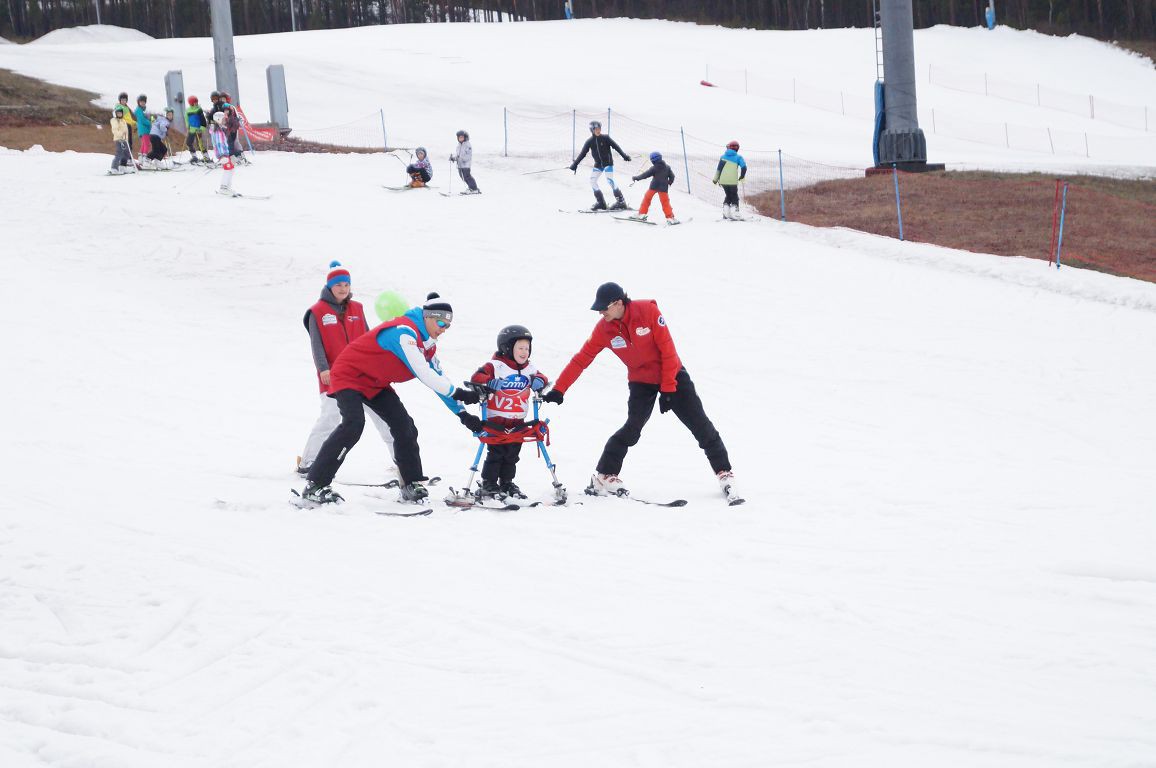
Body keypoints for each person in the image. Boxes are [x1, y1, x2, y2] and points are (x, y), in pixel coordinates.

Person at [543, 282, 741, 504]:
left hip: (672, 374)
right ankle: (605, 475)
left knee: (700, 424)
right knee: (632, 427)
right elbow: (582, 359)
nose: (600, 313)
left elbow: (668, 350)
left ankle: (724, 472)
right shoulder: (604, 329)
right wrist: (559, 389)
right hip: (641, 381)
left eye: (604, 308)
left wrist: (668, 388)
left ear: (618, 303)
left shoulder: (648, 312)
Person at [300, 293, 485, 504]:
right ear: (427, 317)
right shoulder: (404, 332)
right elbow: (425, 374)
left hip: (375, 383)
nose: (444, 329)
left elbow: (440, 380)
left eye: (448, 326)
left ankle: (411, 483)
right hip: (349, 375)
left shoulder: (428, 346)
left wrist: (463, 415)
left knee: (404, 426)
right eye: (441, 322)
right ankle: (315, 485)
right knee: (353, 424)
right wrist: (459, 393)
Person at [299, 261, 397, 478]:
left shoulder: (357, 308)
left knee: (384, 419)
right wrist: (323, 369)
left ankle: (401, 461)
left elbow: (369, 338)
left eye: (346, 284)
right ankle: (308, 462)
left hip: (363, 375)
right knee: (330, 418)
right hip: (334, 376)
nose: (343, 288)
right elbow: (317, 344)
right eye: (338, 284)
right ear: (330, 286)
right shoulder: (317, 312)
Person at [468, 325, 550, 500]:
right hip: (496, 421)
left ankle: (507, 482)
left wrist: (539, 381)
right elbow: (476, 378)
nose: (524, 352)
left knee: (512, 454)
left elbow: (543, 377)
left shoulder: (529, 368)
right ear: (506, 347)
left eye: (527, 348)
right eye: (520, 348)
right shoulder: (496, 366)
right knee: (496, 453)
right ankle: (489, 482)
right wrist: (489, 382)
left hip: (518, 421)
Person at [570, 120, 631, 211]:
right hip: (598, 165)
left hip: (608, 163)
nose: (598, 130)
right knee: (592, 181)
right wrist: (575, 164)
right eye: (596, 129)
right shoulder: (589, 141)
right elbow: (583, 154)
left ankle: (621, 202)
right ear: (592, 130)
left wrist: (624, 156)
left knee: (610, 180)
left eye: (599, 128)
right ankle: (601, 203)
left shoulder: (606, 138)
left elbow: (616, 147)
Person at [629, 151, 678, 225]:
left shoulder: (654, 168)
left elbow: (645, 175)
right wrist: (669, 183)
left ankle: (642, 214)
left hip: (653, 187)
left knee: (646, 199)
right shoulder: (667, 167)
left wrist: (636, 178)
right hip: (663, 188)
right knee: (665, 203)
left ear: (653, 160)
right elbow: (672, 176)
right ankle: (670, 218)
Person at [712, 140, 748, 220]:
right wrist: (742, 176)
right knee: (734, 196)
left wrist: (715, 179)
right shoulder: (738, 157)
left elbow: (719, 170)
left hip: (723, 181)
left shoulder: (722, 157)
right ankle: (735, 214)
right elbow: (744, 168)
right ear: (737, 148)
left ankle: (726, 212)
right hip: (732, 181)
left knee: (728, 195)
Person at [210, 111, 237, 195]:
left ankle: (227, 187)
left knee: (231, 168)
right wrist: (222, 156)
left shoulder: (221, 129)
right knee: (228, 169)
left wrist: (229, 154)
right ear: (218, 119)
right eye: (223, 119)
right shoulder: (217, 131)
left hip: (225, 153)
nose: (225, 121)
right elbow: (219, 144)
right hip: (222, 154)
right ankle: (223, 188)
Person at [450, 130, 480, 194]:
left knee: (467, 176)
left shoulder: (467, 145)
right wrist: (453, 158)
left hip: (466, 165)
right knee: (463, 177)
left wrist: (461, 158)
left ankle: (474, 189)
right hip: (460, 165)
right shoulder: (459, 145)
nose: (460, 139)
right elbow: (458, 155)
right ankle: (471, 187)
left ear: (465, 137)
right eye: (459, 137)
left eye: (462, 137)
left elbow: (468, 156)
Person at [108, 106, 134, 175]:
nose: (119, 114)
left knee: (127, 153)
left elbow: (126, 131)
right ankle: (114, 168)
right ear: (115, 114)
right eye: (118, 113)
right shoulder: (114, 120)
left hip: (124, 140)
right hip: (119, 139)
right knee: (119, 153)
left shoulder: (123, 121)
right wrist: (121, 134)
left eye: (121, 113)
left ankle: (122, 166)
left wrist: (126, 138)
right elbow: (115, 130)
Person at [186, 96, 211, 164]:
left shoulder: (199, 109)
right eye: (195, 102)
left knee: (200, 144)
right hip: (191, 129)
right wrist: (187, 126)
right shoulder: (188, 110)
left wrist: (202, 128)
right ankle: (194, 156)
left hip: (198, 129)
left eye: (197, 102)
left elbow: (203, 120)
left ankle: (206, 157)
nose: (196, 103)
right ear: (191, 103)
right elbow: (186, 119)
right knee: (188, 142)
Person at [133, 94, 152, 158]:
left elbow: (146, 118)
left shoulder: (142, 110)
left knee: (144, 144)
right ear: (138, 102)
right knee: (147, 144)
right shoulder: (139, 110)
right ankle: (144, 157)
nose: (143, 103)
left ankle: (141, 157)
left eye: (144, 101)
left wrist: (150, 119)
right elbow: (142, 120)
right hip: (143, 130)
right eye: (141, 101)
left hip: (144, 129)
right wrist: (150, 123)